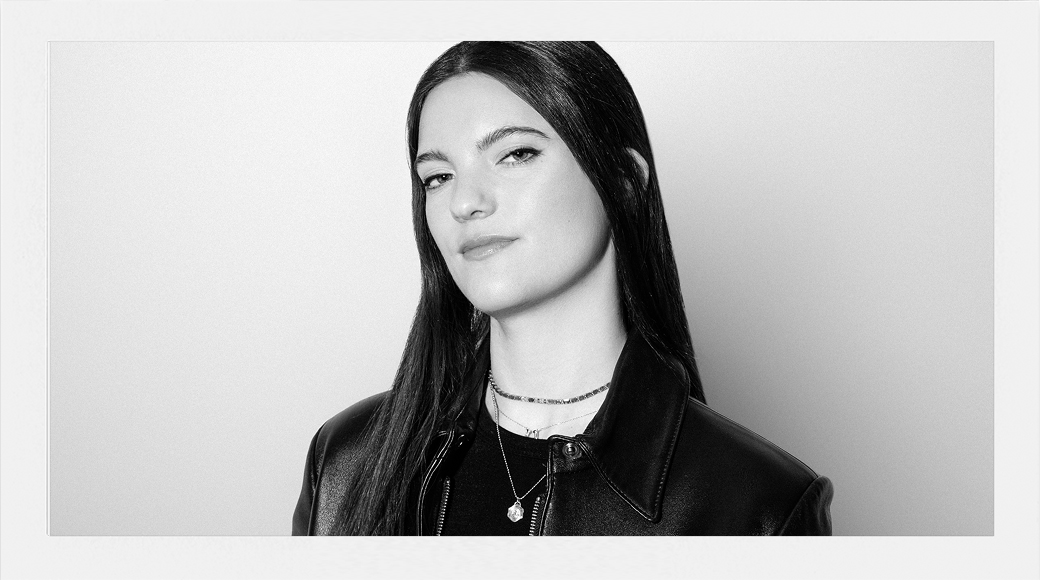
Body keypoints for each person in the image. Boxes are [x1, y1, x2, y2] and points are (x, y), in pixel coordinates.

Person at [292, 41, 833, 536]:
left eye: (516, 154)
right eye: (438, 176)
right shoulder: (345, 460)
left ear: (623, 180)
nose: (465, 202)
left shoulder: (759, 504)